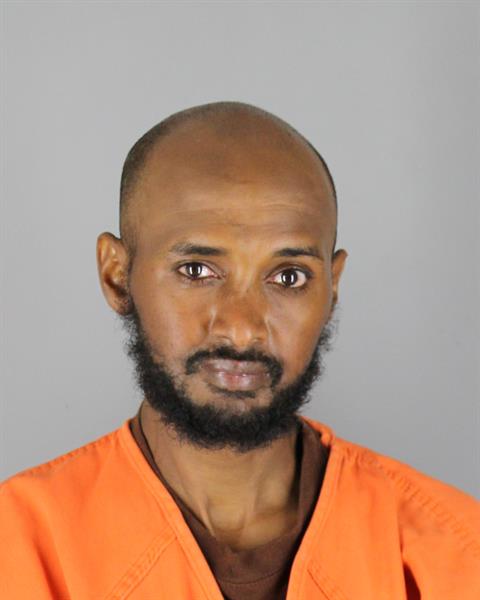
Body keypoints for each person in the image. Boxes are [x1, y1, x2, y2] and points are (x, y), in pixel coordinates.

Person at [1, 101, 478, 600]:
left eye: (288, 277)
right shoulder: (17, 549)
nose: (243, 329)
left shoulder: (456, 555)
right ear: (117, 275)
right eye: (196, 271)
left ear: (332, 287)